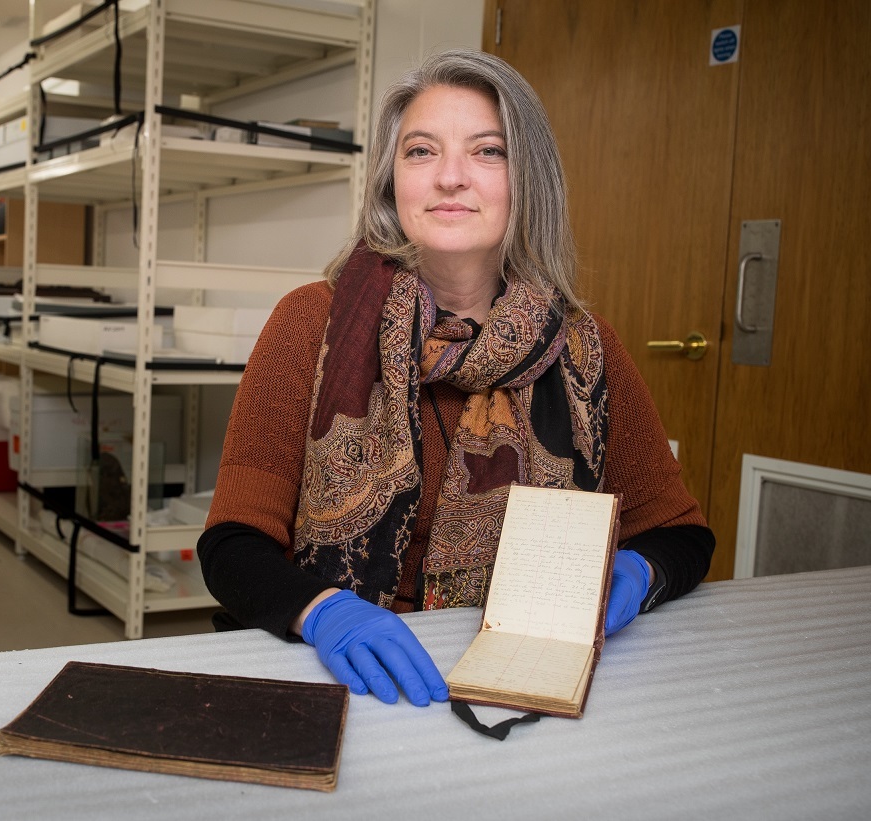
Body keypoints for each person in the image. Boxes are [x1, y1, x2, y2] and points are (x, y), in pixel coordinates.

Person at [197, 49, 714, 708]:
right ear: (391, 182)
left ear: (528, 180)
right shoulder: (311, 323)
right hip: (336, 676)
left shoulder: (586, 347)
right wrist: (324, 612)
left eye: (487, 151)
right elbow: (232, 546)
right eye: (421, 151)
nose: (449, 177)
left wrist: (638, 571)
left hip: (516, 680)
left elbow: (682, 535)